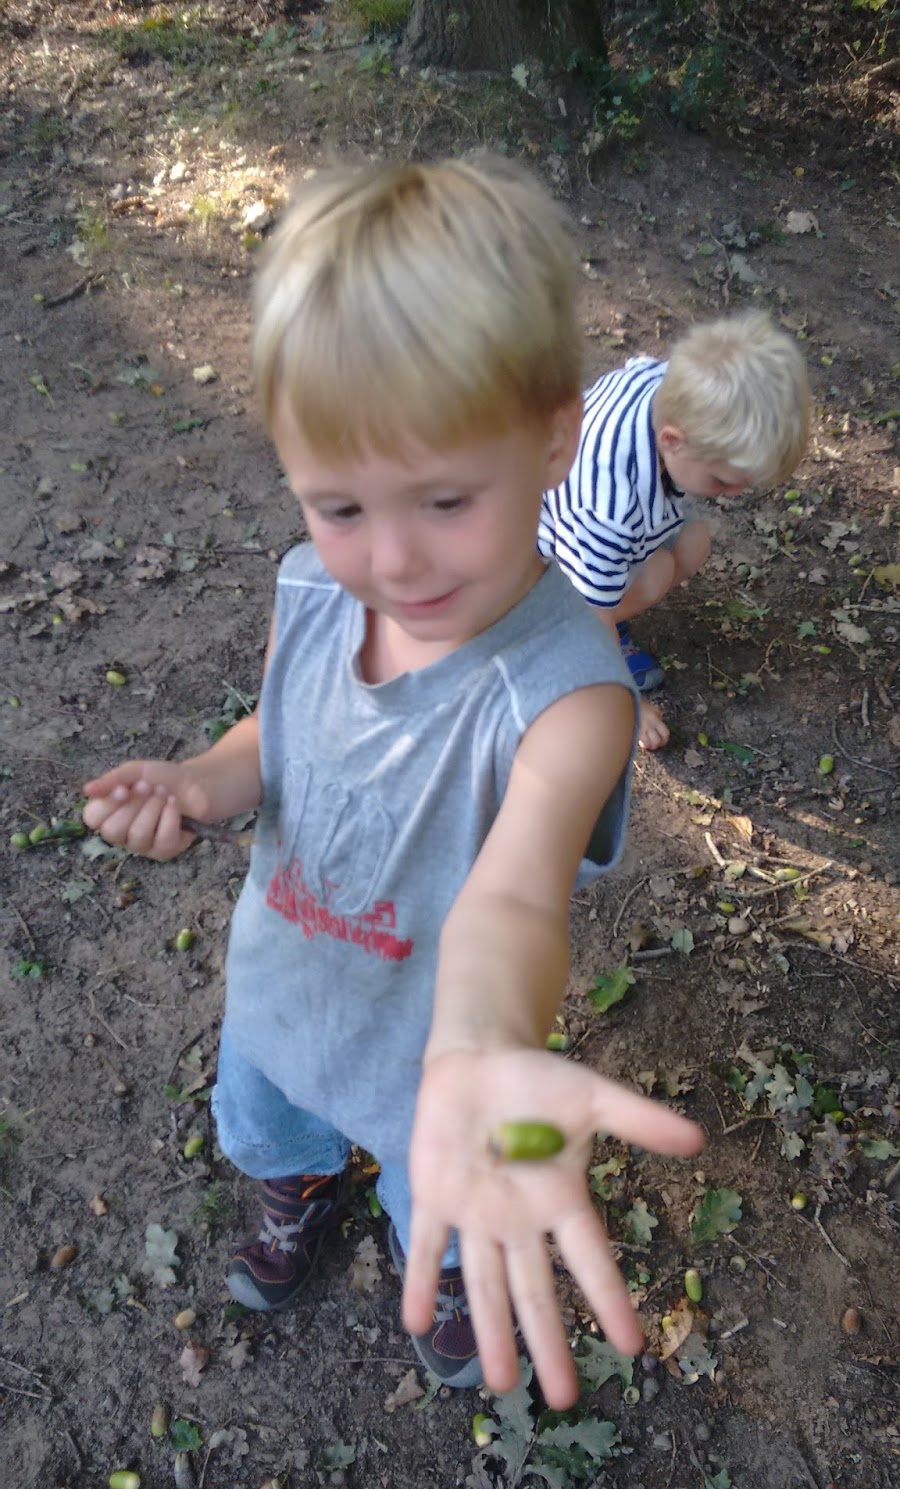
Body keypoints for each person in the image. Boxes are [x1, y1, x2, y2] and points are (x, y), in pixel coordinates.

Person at [82, 159, 702, 1411]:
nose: (395, 558)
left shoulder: (570, 697)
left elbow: (517, 896)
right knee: (275, 1115)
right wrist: (202, 781)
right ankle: (301, 1182)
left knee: (448, 1188)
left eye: (446, 498)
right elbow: (276, 731)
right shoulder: (313, 591)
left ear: (555, 437)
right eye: (340, 505)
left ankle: (453, 1263)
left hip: (439, 1053)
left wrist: (479, 1046)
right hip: (287, 984)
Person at [538, 312, 810, 750]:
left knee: (693, 542)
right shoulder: (609, 507)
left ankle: (605, 604)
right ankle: (553, 644)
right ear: (672, 440)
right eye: (722, 481)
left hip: (576, 526)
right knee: (658, 571)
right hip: (537, 572)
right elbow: (590, 614)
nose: (735, 494)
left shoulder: (669, 386)